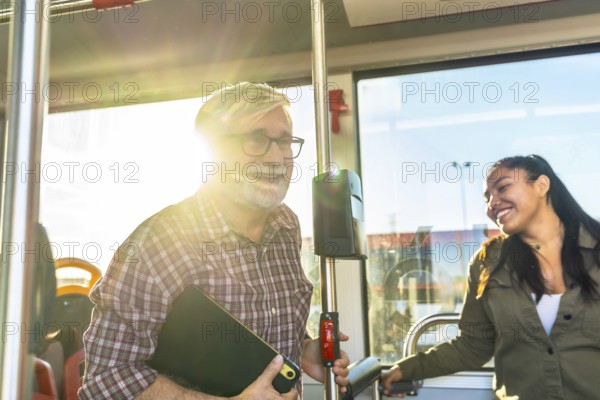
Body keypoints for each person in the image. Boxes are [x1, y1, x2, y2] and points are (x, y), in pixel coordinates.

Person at [79, 82, 350, 400]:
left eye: (285, 140)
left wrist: (303, 350)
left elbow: (263, 315)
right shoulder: (160, 242)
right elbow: (104, 382)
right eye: (256, 139)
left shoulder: (285, 224)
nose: (278, 156)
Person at [382, 155, 600, 400]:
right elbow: (473, 345)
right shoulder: (488, 262)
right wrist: (406, 368)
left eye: (503, 187)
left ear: (541, 185)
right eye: (487, 198)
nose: (492, 203)